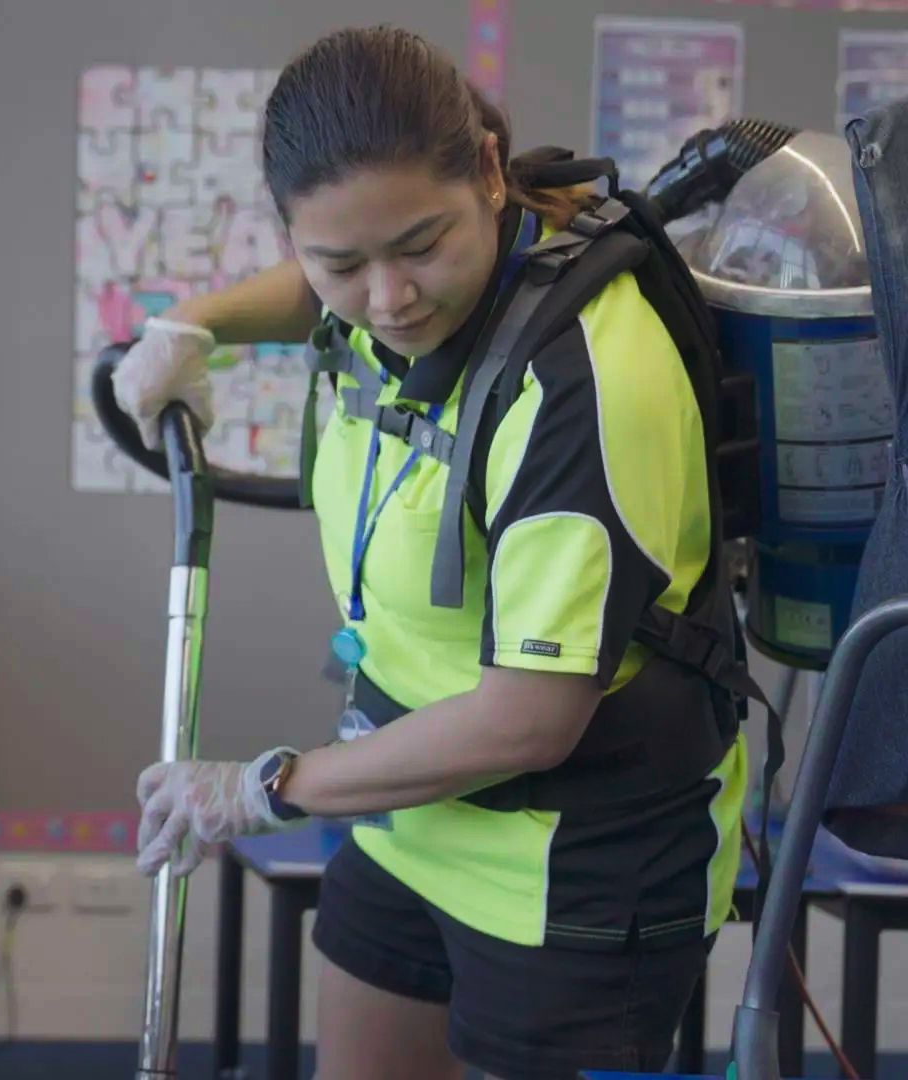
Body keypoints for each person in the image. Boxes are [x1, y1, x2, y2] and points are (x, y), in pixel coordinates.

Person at [116, 26, 748, 1080]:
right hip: (407, 798)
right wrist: (195, 325)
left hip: (578, 854)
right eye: (340, 264)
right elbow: (352, 267)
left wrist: (267, 789)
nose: (389, 300)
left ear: (492, 176)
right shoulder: (389, 286)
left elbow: (532, 720)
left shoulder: (587, 385)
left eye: (421, 247)